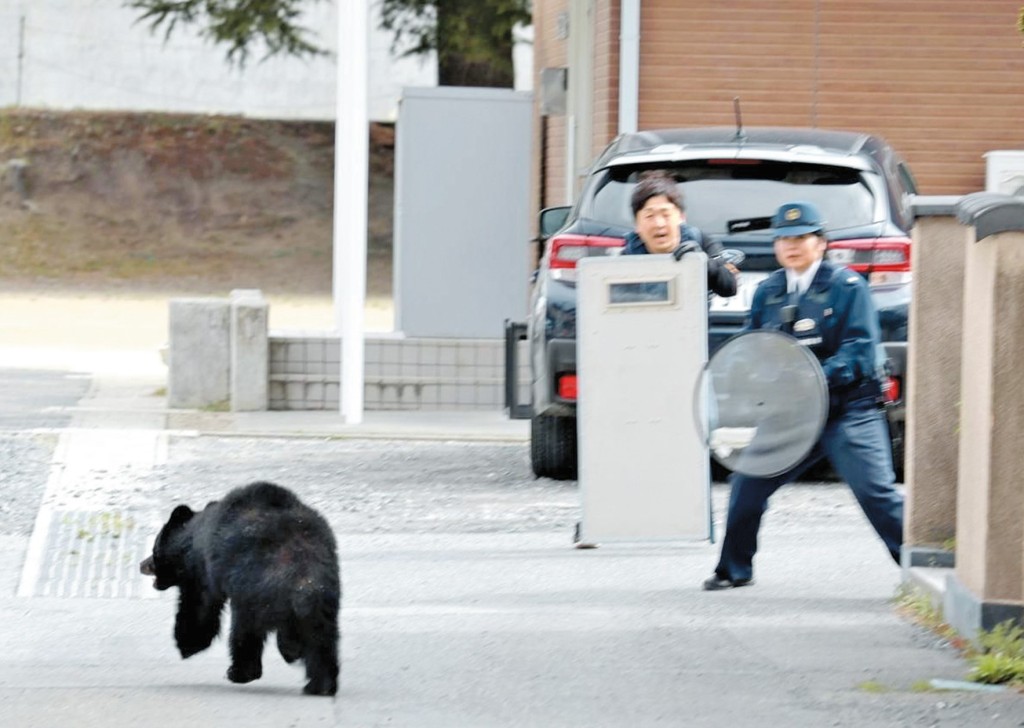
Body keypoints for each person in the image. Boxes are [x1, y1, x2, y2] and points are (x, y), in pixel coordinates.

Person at [702, 201, 904, 591]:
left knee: (875, 492)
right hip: (792, 413)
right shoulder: (768, 292)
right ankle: (733, 569)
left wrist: (810, 378)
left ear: (821, 243)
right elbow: (755, 346)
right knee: (747, 486)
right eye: (783, 239)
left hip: (849, 409)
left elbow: (859, 350)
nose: (791, 246)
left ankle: (921, 564)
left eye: (800, 238)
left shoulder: (847, 288)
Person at [623, 170, 739, 297]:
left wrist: (701, 262)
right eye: (649, 216)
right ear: (637, 225)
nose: (659, 224)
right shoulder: (627, 256)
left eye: (666, 215)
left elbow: (729, 288)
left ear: (681, 217)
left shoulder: (700, 240)